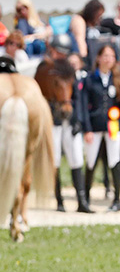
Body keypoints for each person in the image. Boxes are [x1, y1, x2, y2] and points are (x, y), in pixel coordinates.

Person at [37, 34, 91, 213]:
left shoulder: (69, 69)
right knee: (56, 160)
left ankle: (82, 201)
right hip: (53, 118)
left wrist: (79, 121)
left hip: (70, 117)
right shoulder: (45, 69)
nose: (61, 55)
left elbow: (78, 97)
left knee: (76, 158)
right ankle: (59, 200)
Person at [80, 45, 119, 211]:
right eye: (105, 55)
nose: (108, 59)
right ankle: (85, 198)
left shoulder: (117, 79)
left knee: (115, 160)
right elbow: (83, 106)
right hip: (94, 127)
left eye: (111, 56)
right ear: (98, 58)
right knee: (91, 161)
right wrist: (87, 129)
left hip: (113, 127)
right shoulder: (89, 79)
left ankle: (117, 199)